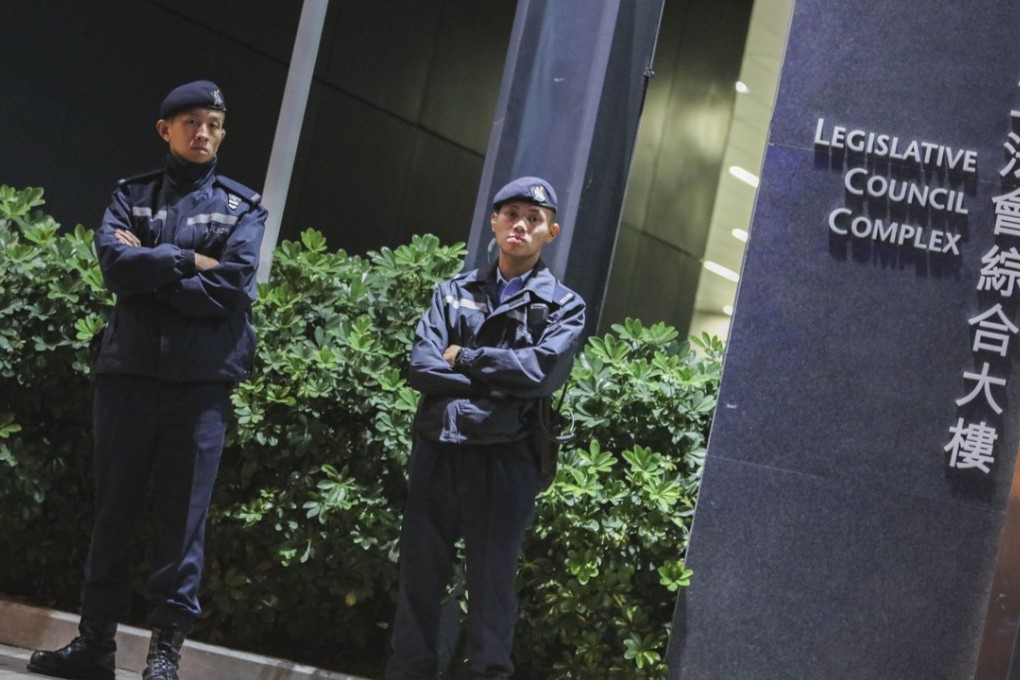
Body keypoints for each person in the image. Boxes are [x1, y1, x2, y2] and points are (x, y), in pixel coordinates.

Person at [28, 80, 266, 680]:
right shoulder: (129, 195)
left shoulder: (243, 207)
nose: (203, 133)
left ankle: (164, 655)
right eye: (191, 122)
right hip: (128, 374)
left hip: (200, 385)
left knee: (181, 522)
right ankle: (94, 647)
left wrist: (152, 264)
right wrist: (189, 259)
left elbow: (230, 285)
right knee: (113, 513)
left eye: (213, 123)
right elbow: (115, 267)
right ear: (166, 130)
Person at [384, 177, 586, 679]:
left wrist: (467, 356)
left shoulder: (564, 306)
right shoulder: (452, 292)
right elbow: (422, 366)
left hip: (506, 459)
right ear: (494, 222)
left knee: (491, 587)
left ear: (551, 232)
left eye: (533, 219)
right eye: (511, 213)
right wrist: (493, 381)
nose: (521, 224)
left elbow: (538, 373)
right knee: (419, 583)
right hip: (439, 447)